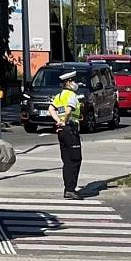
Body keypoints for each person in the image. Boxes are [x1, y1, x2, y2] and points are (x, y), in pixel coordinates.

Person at [48, 70, 83, 200]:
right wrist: (64, 121)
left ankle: (68, 188)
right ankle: (70, 189)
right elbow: (68, 110)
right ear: (68, 82)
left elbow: (50, 109)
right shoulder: (71, 95)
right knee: (75, 160)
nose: (76, 83)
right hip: (70, 129)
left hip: (62, 131)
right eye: (74, 81)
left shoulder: (60, 95)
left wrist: (58, 121)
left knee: (67, 160)